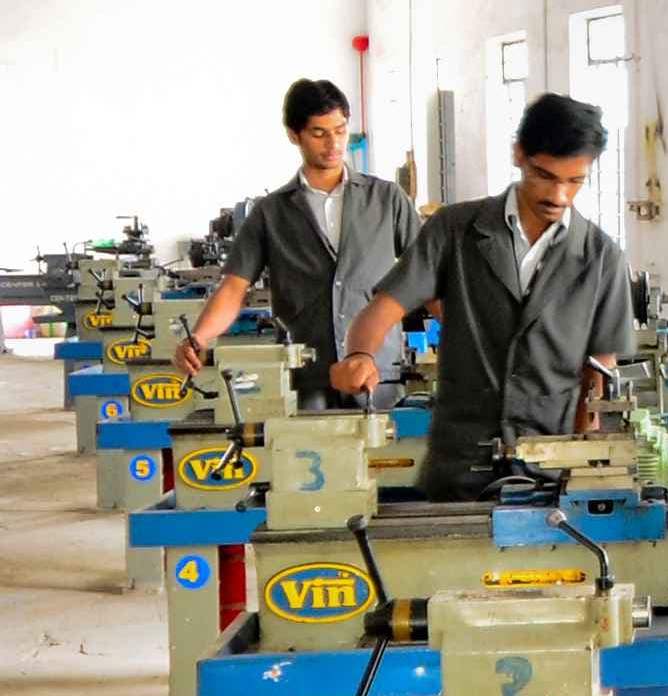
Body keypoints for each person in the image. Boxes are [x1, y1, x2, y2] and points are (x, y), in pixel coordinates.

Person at [329, 93, 630, 500]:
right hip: (459, 469)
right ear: (518, 155)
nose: (558, 196)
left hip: (550, 475)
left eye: (573, 181)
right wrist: (359, 356)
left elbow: (598, 374)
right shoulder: (454, 230)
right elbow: (383, 309)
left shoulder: (601, 256)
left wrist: (584, 469)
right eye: (545, 175)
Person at [176, 77, 421, 407]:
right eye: (319, 133)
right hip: (305, 378)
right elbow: (234, 288)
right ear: (294, 135)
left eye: (340, 129)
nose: (334, 143)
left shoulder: (387, 199)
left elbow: (429, 274)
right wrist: (199, 338)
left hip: (378, 376)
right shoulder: (270, 213)